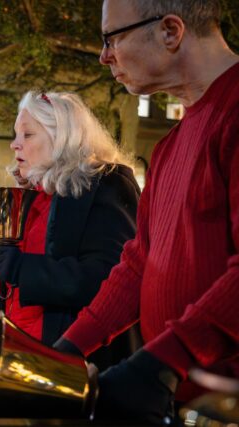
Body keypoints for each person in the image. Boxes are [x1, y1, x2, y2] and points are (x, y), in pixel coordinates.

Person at [52, 1, 239, 424]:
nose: (104, 56)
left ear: (170, 31)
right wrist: (69, 348)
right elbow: (139, 264)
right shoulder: (169, 146)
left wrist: (163, 361)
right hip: (179, 398)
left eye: (111, 38)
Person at [0, 91, 139, 369]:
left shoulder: (105, 184)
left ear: (63, 137)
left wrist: (23, 269)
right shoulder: (34, 195)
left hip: (72, 361)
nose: (14, 145)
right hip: (19, 356)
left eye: (27, 135)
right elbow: (6, 285)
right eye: (16, 135)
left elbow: (110, 279)